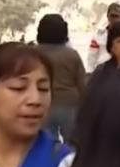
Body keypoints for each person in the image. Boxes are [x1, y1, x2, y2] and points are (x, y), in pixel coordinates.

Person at [34, 14, 86, 142]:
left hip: (42, 105)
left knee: (46, 144)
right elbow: (82, 84)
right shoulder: (72, 55)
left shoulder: (32, 54)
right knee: (73, 145)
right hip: (70, 105)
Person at [88, 2, 120, 71]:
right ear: (108, 16)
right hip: (103, 71)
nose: (115, 19)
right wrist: (90, 73)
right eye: (112, 16)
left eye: (117, 16)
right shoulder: (98, 35)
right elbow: (91, 57)